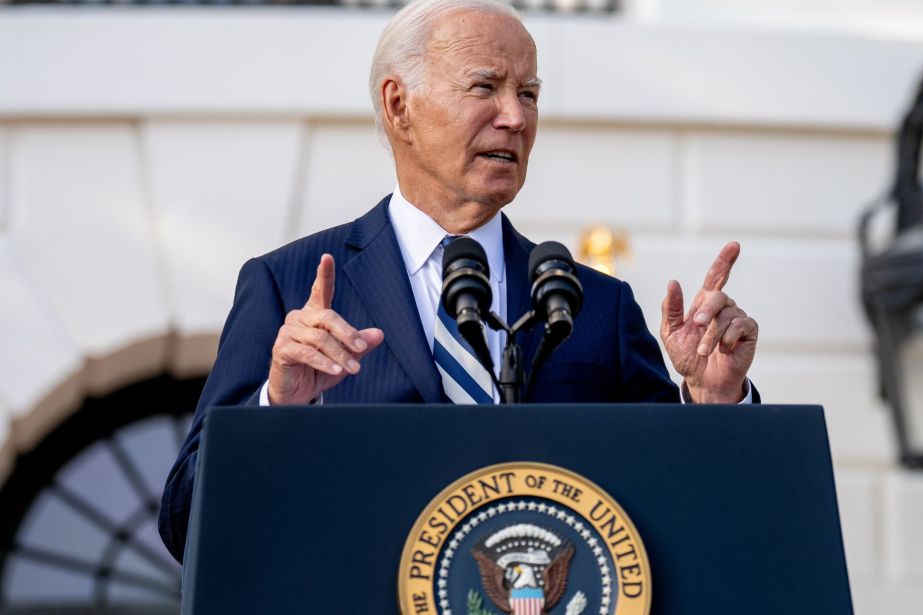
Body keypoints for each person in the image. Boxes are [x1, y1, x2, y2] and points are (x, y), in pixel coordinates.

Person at [159, 0, 759, 563]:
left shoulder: (596, 305)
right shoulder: (287, 284)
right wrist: (277, 408)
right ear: (399, 106)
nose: (515, 117)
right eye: (485, 87)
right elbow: (188, 526)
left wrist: (713, 405)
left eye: (528, 93)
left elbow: (689, 515)